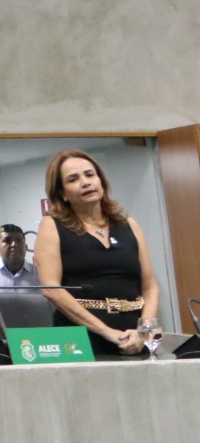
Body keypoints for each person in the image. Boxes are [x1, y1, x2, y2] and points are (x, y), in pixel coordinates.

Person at [32, 149, 157, 358]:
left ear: (101, 181)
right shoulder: (51, 225)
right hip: (79, 340)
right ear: (62, 192)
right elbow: (51, 289)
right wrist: (108, 332)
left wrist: (144, 332)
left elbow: (150, 287)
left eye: (90, 175)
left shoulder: (130, 224)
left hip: (134, 338)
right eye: (73, 179)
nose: (85, 182)